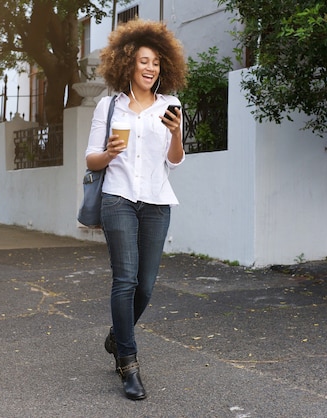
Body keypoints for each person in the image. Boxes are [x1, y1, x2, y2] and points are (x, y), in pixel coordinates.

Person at [84, 19, 187, 400]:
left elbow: (174, 162)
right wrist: (108, 153)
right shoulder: (109, 106)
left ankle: (117, 335)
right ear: (127, 63)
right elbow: (91, 159)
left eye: (157, 62)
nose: (151, 68)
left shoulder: (170, 106)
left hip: (158, 202)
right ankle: (128, 362)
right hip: (118, 198)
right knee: (124, 280)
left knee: (146, 284)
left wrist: (176, 134)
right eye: (144, 61)